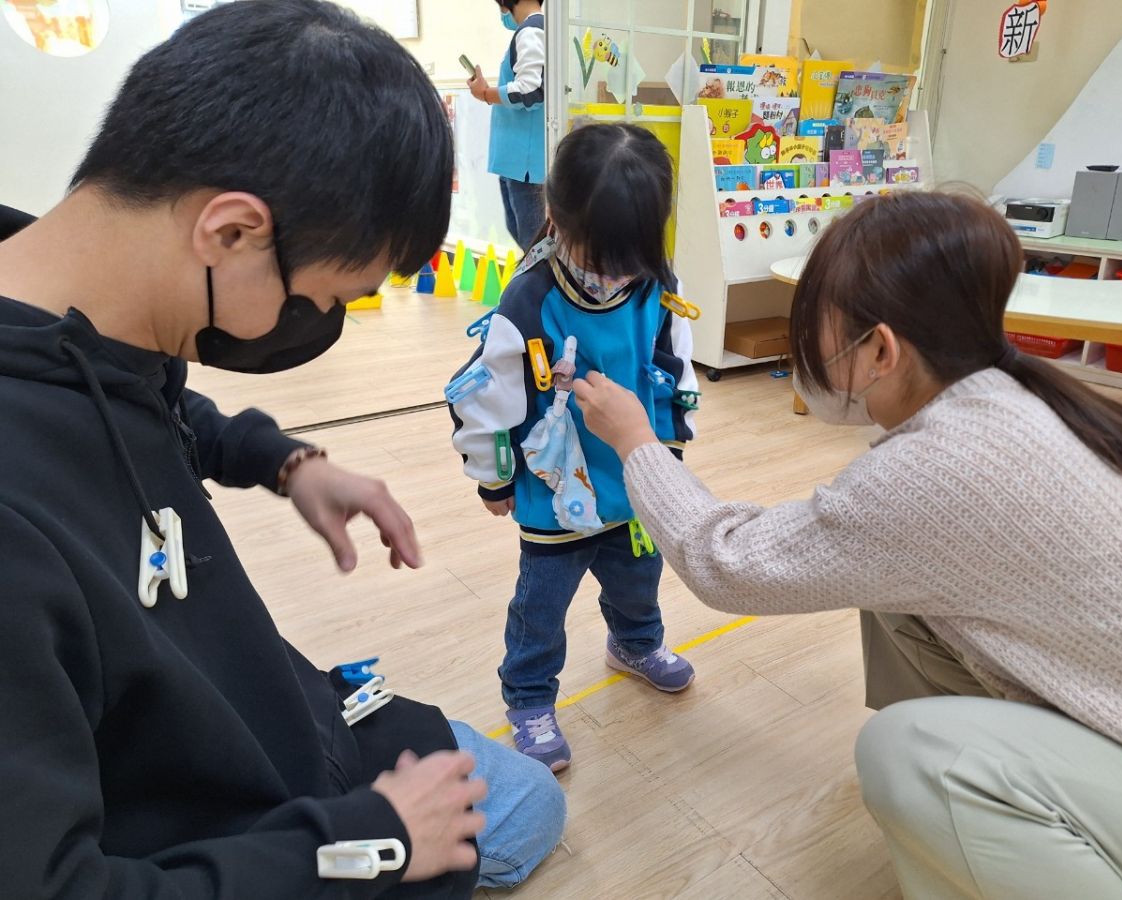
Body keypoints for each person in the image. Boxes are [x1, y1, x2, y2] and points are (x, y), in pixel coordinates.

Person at [0, 2, 564, 897]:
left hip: (263, 713)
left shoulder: (77, 308)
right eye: (326, 298)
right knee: (525, 810)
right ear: (231, 231)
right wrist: (371, 841)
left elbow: (143, 405)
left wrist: (282, 461)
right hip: (231, 826)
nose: (320, 325)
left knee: (527, 799)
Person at [572, 190, 1122, 898]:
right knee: (887, 591)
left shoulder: (944, 469)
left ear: (880, 349)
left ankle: (981, 809)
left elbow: (727, 564)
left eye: (818, 329)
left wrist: (636, 441)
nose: (808, 351)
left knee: (908, 755)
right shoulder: (1020, 394)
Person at [449, 124, 699, 772]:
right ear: (555, 219)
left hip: (635, 478)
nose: (617, 271)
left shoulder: (656, 285)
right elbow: (482, 398)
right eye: (604, 253)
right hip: (555, 492)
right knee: (541, 607)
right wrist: (492, 477)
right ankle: (529, 696)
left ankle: (635, 643)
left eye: (632, 253)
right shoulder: (529, 300)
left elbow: (673, 369)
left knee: (639, 579)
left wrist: (667, 455)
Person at [467, 0, 546, 251]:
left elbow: (530, 91)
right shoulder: (531, 30)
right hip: (516, 162)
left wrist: (486, 94)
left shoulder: (531, 31)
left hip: (525, 164)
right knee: (525, 238)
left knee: (533, 245)